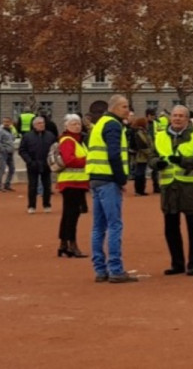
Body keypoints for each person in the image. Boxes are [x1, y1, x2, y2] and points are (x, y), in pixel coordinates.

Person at [87, 94, 137, 283]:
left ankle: (100, 269)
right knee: (114, 225)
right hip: (108, 179)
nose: (127, 110)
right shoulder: (114, 125)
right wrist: (122, 179)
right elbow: (114, 154)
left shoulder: (99, 124)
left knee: (98, 227)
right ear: (114, 107)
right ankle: (115, 269)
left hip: (95, 177)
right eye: (124, 107)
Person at [153, 106, 193, 276]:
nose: (177, 119)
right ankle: (177, 264)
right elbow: (152, 156)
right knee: (171, 228)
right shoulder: (160, 135)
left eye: (181, 116)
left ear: (187, 119)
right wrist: (156, 163)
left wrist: (183, 160)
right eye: (174, 115)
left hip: (189, 186)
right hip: (168, 187)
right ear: (170, 118)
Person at [56, 114, 89, 258]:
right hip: (72, 182)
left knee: (69, 214)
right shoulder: (68, 140)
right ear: (66, 126)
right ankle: (71, 244)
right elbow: (69, 160)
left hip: (77, 182)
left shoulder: (77, 141)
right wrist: (88, 160)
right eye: (74, 124)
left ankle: (64, 244)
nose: (77, 126)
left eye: (79, 123)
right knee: (72, 215)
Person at [19, 116, 56, 214]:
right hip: (33, 164)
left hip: (46, 164)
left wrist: (51, 161)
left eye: (43, 123)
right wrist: (29, 161)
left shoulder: (50, 135)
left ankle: (47, 205)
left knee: (47, 186)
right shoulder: (27, 136)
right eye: (39, 123)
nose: (42, 125)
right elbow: (22, 150)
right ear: (34, 125)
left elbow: (55, 149)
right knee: (32, 186)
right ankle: (31, 206)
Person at [130, 116, 157, 196]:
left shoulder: (142, 132)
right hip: (141, 156)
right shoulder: (139, 133)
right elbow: (142, 145)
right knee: (140, 173)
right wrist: (150, 153)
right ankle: (139, 190)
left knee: (141, 173)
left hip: (143, 156)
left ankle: (141, 190)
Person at [0, 117, 16, 193]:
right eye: (5, 121)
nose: (6, 123)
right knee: (2, 169)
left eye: (8, 122)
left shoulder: (10, 130)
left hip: (10, 152)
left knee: (12, 169)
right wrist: (3, 149)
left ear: (10, 122)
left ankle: (7, 184)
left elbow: (12, 139)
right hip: (3, 152)